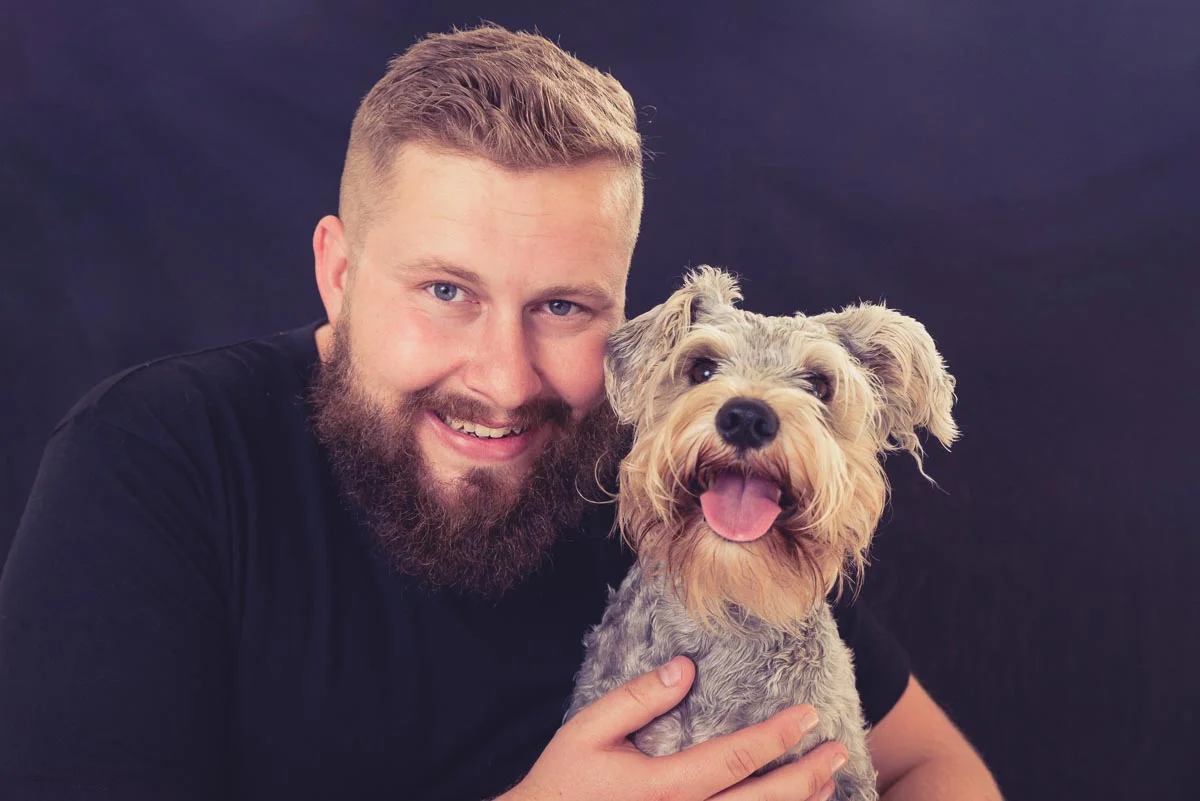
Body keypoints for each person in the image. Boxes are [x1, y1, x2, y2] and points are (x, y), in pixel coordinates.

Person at [0, 24, 1002, 801]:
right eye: (446, 291)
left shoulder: (688, 490)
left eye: (562, 307)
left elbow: (938, 772)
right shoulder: (152, 463)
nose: (505, 378)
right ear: (339, 273)